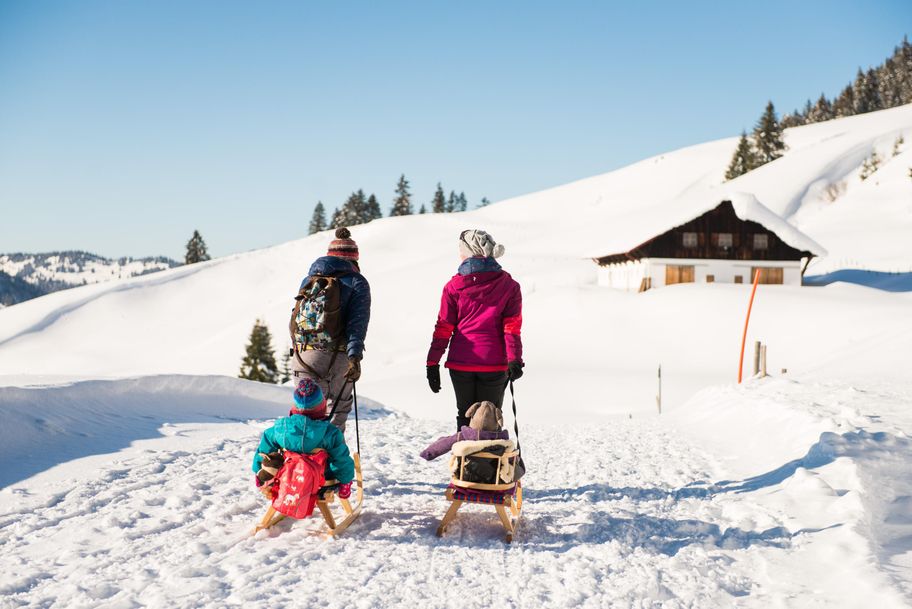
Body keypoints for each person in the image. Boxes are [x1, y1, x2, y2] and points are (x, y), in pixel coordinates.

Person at [426, 229, 524, 432]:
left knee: (465, 415)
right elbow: (511, 328)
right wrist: (514, 359)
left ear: (467, 252)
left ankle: (465, 451)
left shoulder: (453, 286)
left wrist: (432, 362)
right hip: (494, 363)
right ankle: (490, 452)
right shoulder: (510, 286)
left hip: (461, 363)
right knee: (491, 417)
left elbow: (444, 327)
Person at [291, 227, 371, 432]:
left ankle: (299, 453)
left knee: (304, 415)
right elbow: (357, 324)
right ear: (354, 259)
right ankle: (330, 453)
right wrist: (355, 357)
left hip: (303, 354)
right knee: (336, 413)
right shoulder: (357, 282)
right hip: (336, 356)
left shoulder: (309, 279)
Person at [252, 379, 355, 498]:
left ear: (295, 406)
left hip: (287, 477)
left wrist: (259, 473)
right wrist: (345, 481)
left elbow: (263, 453)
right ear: (322, 407)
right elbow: (341, 460)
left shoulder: (279, 429)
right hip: (321, 480)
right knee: (334, 460)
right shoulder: (331, 433)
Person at [420, 401, 510, 461]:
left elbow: (444, 443)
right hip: (494, 477)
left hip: (466, 475)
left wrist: (428, 453)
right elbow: (512, 455)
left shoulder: (464, 436)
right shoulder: (501, 440)